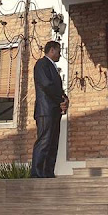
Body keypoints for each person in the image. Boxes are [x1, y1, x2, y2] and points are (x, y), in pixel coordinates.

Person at [30, 41, 69, 178]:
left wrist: (65, 99)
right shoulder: (42, 64)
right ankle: (37, 174)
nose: (60, 54)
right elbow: (47, 85)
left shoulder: (53, 67)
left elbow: (57, 89)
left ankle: (48, 173)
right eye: (58, 51)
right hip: (45, 111)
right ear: (51, 50)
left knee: (53, 144)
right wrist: (60, 100)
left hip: (54, 112)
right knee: (44, 142)